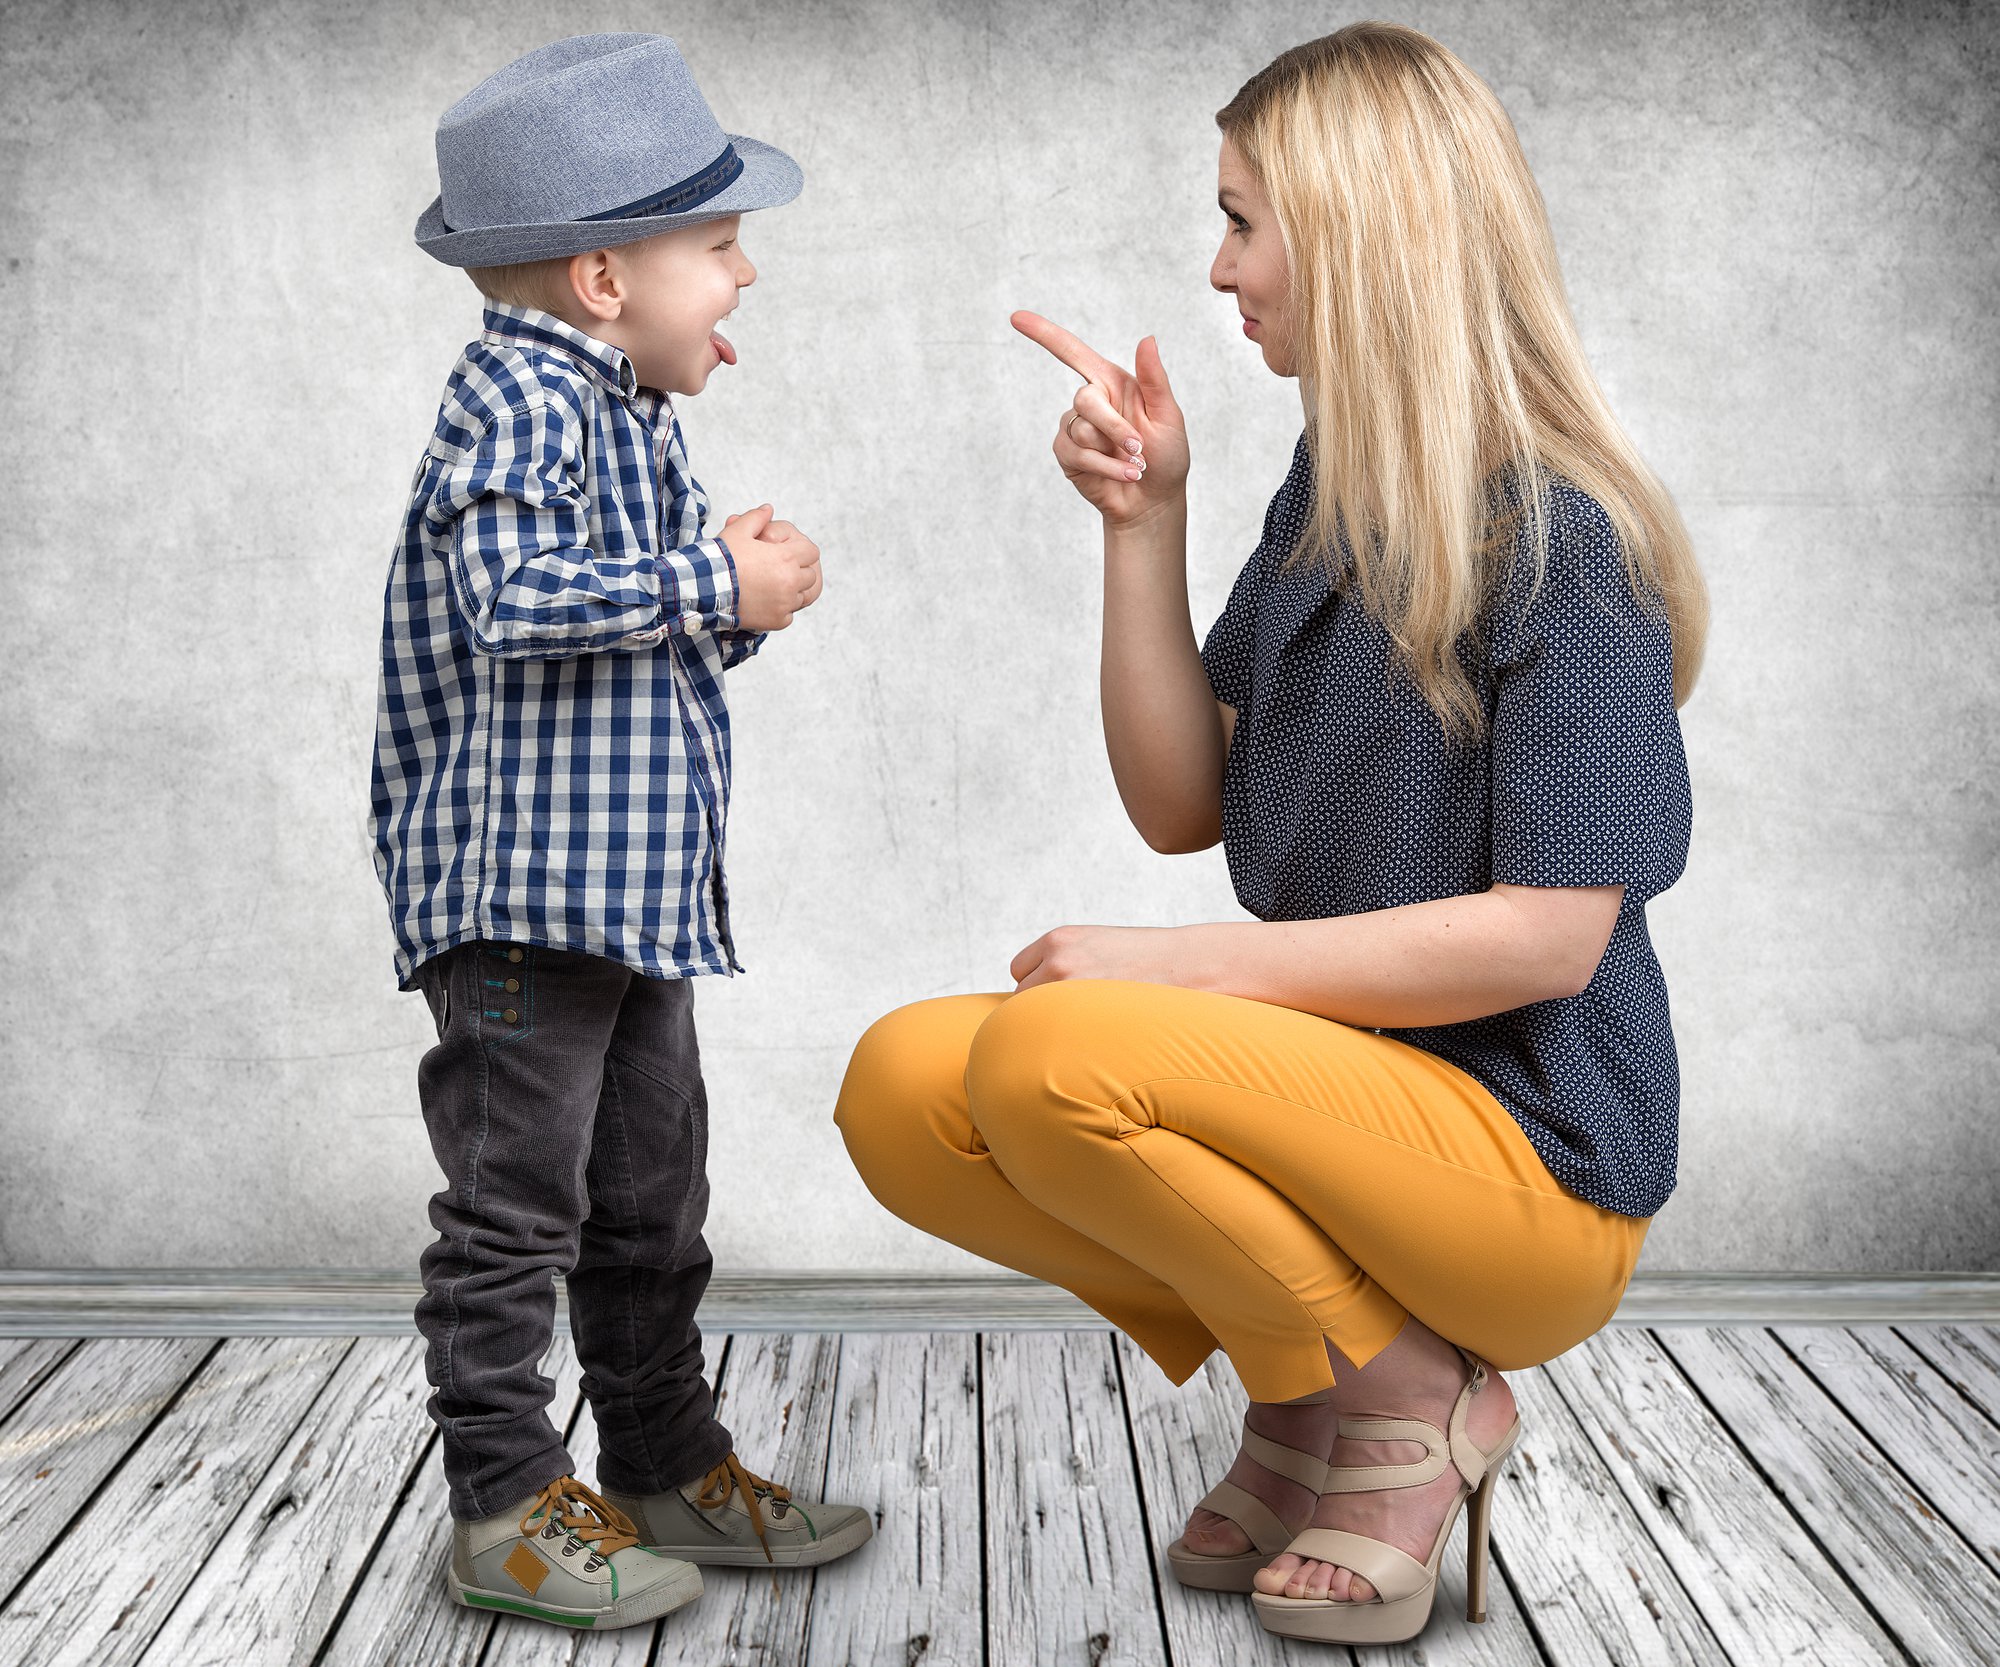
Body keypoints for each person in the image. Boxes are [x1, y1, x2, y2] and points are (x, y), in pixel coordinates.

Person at [834, 21, 1705, 1648]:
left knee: (1052, 1062)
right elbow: (1179, 802)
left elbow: (1549, 937)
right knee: (901, 1090)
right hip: (1342, 1116)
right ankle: (1322, 1394)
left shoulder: (1562, 546)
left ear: (1363, 239)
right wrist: (1143, 525)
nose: (1217, 267)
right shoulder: (1329, 499)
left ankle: (1404, 1408)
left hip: (1527, 1172)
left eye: (1242, 219)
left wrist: (1178, 983)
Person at [369, 32, 870, 1633]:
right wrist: (710, 583)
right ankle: (505, 1499)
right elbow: (511, 604)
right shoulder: (518, 400)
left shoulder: (620, 412)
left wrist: (729, 595)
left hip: (626, 902)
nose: (742, 280)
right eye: (718, 249)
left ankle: (661, 1457)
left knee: (654, 1192)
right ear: (603, 277)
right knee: (519, 1206)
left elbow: (610, 650)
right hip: (525, 905)